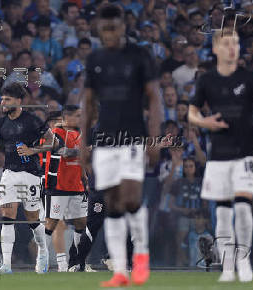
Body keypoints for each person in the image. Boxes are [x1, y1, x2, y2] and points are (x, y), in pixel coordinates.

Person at [79, 4, 163, 287]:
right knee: (112, 202)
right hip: (104, 140)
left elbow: (154, 98)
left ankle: (141, 255)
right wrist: (83, 144)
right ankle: (120, 272)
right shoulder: (95, 59)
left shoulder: (140, 55)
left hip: (133, 137)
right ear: (99, 30)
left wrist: (153, 139)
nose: (110, 33)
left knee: (130, 197)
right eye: (104, 30)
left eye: (114, 28)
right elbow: (88, 103)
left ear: (123, 26)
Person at [188, 28, 253, 282]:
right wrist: (205, 123)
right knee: (223, 212)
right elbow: (191, 113)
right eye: (226, 43)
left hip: (247, 153)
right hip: (218, 155)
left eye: (235, 43)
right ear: (215, 48)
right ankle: (227, 266)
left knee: (244, 206)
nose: (232, 47)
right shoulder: (207, 80)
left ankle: (243, 260)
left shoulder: (251, 78)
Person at [0, 82, 59, 274]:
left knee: (32, 219)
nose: (3, 102)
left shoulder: (33, 120)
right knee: (7, 217)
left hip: (31, 174)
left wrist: (32, 150)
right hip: (9, 173)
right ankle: (6, 265)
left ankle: (43, 251)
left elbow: (53, 142)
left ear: (19, 101)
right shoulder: (2, 122)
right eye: (2, 98)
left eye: (7, 99)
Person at [43, 105, 87, 272]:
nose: (80, 119)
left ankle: (77, 261)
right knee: (52, 223)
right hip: (58, 185)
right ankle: (42, 260)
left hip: (77, 185)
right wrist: (82, 151)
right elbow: (62, 151)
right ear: (67, 118)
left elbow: (80, 159)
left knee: (81, 222)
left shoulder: (78, 134)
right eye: (77, 116)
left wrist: (85, 176)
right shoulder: (55, 133)